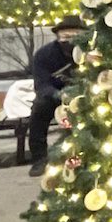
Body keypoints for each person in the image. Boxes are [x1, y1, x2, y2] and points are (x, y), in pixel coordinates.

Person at [28, 15, 84, 176]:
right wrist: (60, 95)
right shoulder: (44, 55)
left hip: (83, 96)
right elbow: (42, 85)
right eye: (65, 37)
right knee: (39, 108)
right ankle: (39, 159)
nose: (70, 41)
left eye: (76, 36)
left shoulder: (90, 54)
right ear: (58, 37)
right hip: (54, 97)